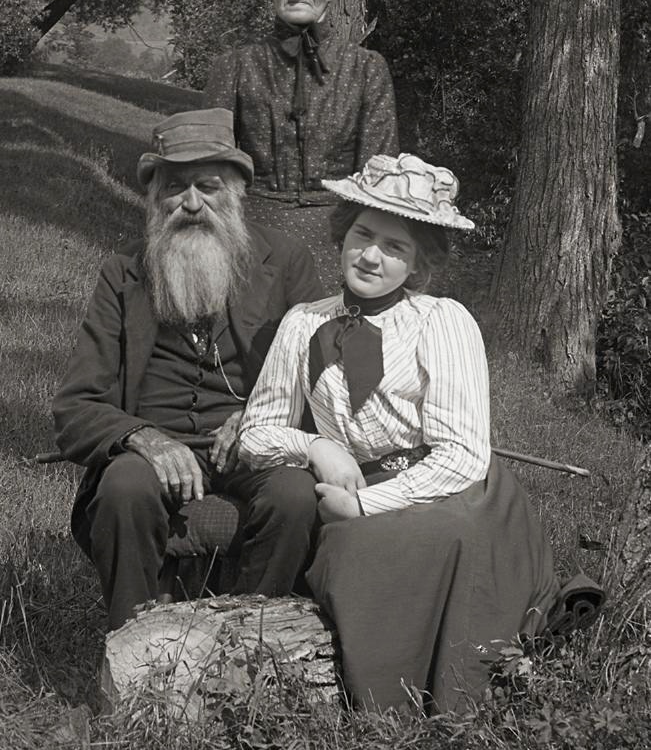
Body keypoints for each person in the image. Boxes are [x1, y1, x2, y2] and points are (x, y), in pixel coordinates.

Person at [234, 153, 562, 712]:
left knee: (444, 533)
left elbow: (462, 455)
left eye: (394, 247)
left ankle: (463, 686)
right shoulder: (303, 323)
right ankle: (380, 691)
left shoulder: (442, 321)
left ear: (418, 265)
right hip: (353, 487)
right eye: (362, 234)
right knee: (354, 552)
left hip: (455, 490)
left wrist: (365, 505)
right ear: (342, 232)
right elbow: (255, 433)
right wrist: (315, 443)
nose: (370, 255)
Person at [52, 108, 324, 631]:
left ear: (238, 190)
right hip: (150, 450)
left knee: (293, 495)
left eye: (209, 186)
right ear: (155, 197)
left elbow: (319, 381)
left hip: (256, 444)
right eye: (176, 188)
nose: (192, 204)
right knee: (124, 486)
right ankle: (134, 646)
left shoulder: (286, 262)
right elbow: (75, 404)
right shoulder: (124, 272)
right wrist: (143, 438)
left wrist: (257, 420)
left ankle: (252, 639)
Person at [203, 0, 399, 288]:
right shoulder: (234, 68)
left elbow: (378, 189)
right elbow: (209, 178)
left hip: (339, 249)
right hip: (247, 244)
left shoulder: (367, 71)